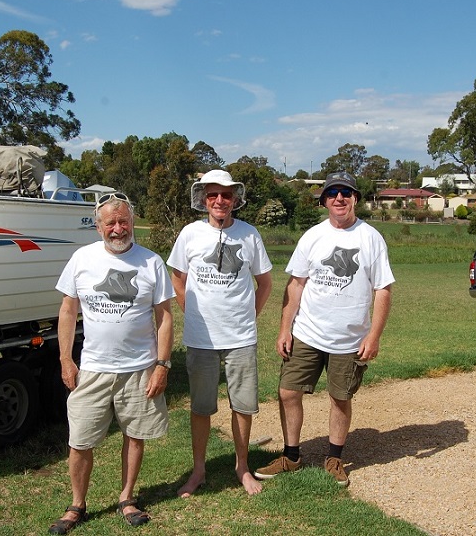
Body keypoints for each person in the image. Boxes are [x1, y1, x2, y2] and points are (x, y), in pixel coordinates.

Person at [253, 171, 394, 487]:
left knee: (340, 397)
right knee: (288, 391)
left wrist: (374, 336)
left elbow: (383, 289)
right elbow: (296, 284)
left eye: (345, 192)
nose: (339, 198)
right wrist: (284, 329)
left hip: (349, 338)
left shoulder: (370, 238)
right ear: (324, 201)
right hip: (308, 332)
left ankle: (334, 458)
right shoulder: (312, 236)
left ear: (355, 198)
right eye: (332, 194)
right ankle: (291, 456)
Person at [49, 192, 174, 533]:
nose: (118, 229)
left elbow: (164, 317)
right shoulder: (81, 259)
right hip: (93, 367)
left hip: (140, 367)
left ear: (132, 223)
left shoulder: (151, 262)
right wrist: (65, 359)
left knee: (135, 436)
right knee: (80, 439)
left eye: (124, 222)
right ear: (98, 226)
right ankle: (77, 504)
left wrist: (162, 365)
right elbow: (67, 310)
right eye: (111, 223)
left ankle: (127, 498)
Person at [167, 169, 273, 497]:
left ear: (235, 199)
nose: (219, 200)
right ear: (203, 199)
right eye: (212, 195)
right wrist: (194, 315)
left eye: (226, 195)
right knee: (201, 407)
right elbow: (178, 279)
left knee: (243, 405)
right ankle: (199, 471)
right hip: (201, 339)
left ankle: (242, 466)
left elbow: (265, 283)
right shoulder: (189, 234)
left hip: (241, 338)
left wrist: (247, 317)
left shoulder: (249, 234)